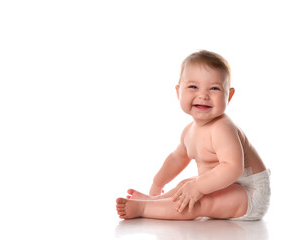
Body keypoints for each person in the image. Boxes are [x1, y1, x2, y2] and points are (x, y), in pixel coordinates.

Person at [116, 50, 271, 220]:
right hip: (226, 186)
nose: (203, 95)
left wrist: (198, 186)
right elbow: (177, 159)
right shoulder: (189, 131)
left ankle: (145, 209)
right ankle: (155, 201)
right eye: (193, 87)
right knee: (185, 186)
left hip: (249, 193)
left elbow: (233, 167)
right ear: (178, 92)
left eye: (214, 88)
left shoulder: (223, 128)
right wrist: (157, 182)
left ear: (229, 96)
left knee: (198, 200)